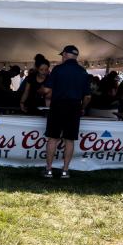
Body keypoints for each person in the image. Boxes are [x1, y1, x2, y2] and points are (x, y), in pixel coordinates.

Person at [43, 44, 90, 178]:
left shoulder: (58, 69)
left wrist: (40, 91)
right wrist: (82, 108)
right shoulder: (83, 72)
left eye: (63, 55)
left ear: (64, 54)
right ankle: (65, 170)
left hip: (58, 105)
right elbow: (88, 96)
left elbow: (47, 90)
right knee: (69, 139)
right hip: (74, 107)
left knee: (53, 138)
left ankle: (49, 170)